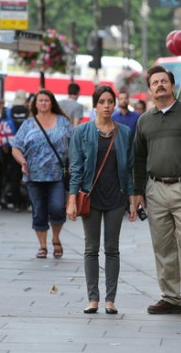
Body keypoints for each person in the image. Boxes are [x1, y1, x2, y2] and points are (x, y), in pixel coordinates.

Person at [133, 65, 181, 318]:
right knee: (163, 246)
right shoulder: (144, 120)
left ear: (171, 84)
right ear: (149, 89)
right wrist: (138, 191)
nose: (159, 85)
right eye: (155, 82)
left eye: (164, 81)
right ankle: (169, 297)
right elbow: (138, 158)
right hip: (156, 189)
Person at [66, 85, 137, 314]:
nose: (107, 106)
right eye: (102, 102)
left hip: (116, 197)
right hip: (90, 197)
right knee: (91, 248)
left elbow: (131, 168)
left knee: (112, 249)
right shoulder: (82, 132)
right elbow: (75, 168)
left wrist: (134, 197)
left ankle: (110, 299)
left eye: (110, 102)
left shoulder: (124, 132)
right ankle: (93, 298)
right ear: (95, 105)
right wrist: (71, 199)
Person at [12, 89, 72, 259]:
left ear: (52, 102)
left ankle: (56, 238)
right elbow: (16, 147)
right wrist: (22, 161)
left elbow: (75, 143)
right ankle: (43, 246)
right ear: (35, 104)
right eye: (41, 100)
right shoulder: (28, 124)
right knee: (38, 211)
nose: (44, 103)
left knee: (57, 208)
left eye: (47, 100)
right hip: (34, 174)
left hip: (57, 174)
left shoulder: (63, 122)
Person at [0, 90, 30, 211]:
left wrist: (4, 144)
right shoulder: (29, 112)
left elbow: (1, 128)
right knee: (29, 175)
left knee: (14, 176)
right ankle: (29, 202)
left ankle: (17, 202)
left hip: (12, 148)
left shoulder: (8, 111)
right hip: (28, 148)